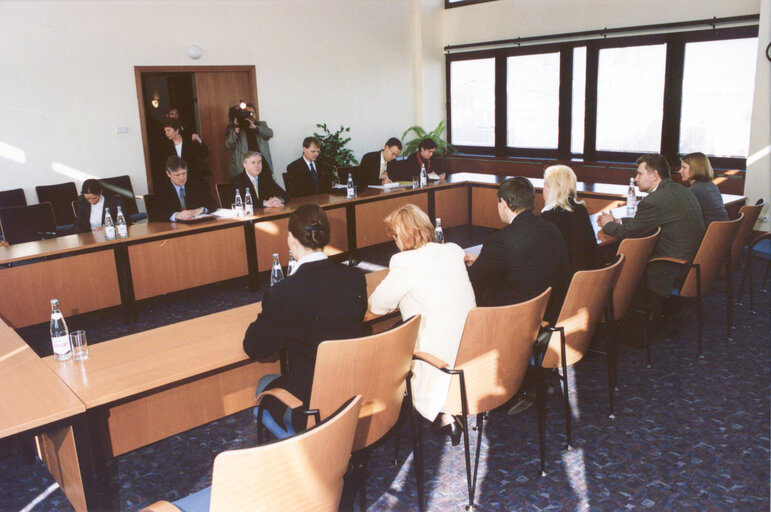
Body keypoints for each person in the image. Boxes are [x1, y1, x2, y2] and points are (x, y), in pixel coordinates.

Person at [242, 204, 367, 432]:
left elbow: (255, 347)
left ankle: (303, 446)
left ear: (290, 239)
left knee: (263, 385)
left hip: (312, 401)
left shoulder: (283, 293)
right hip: (352, 385)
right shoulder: (355, 278)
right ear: (325, 236)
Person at [369, 204, 475, 442]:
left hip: (435, 359)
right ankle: (449, 413)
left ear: (403, 235)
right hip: (469, 349)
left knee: (392, 338)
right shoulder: (453, 250)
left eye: (395, 236)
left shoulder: (403, 262)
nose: (395, 242)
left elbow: (377, 305)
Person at [597, 153, 705, 300]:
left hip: (671, 269)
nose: (635, 179)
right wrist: (618, 221)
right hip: (692, 264)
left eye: (640, 174)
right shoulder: (682, 191)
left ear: (654, 175)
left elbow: (630, 234)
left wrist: (607, 224)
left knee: (617, 263)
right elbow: (647, 222)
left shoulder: (653, 201)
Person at [465, 177, 570, 323]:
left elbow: (474, 280)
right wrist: (483, 261)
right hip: (552, 312)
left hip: (515, 319)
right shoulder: (551, 228)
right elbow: (526, 266)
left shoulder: (500, 240)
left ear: (504, 203)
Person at [540, 165, 600, 273]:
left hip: (565, 281)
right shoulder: (581, 209)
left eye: (545, 185)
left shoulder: (549, 216)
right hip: (586, 276)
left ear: (552, 189)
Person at [151, 155, 216, 222]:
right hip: (173, 228)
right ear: (168, 174)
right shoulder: (161, 188)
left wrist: (200, 210)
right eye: (177, 175)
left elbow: (212, 203)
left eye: (184, 173)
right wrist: (176, 215)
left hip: (195, 225)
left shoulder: (195, 184)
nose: (182, 178)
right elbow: (156, 213)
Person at [225, 102, 275, 178]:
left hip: (261, 163)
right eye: (247, 113)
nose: (249, 115)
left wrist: (256, 128)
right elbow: (229, 145)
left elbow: (269, 134)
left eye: (251, 113)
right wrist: (236, 129)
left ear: (255, 115)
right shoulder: (235, 128)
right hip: (244, 166)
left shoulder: (261, 124)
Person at [680, 152, 728, 227]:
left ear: (695, 169)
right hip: (722, 233)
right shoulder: (711, 185)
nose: (680, 171)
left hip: (708, 234)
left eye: (684, 167)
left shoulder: (695, 190)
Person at [162, 118, 210, 182]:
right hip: (176, 179)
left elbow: (205, 154)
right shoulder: (166, 146)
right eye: (165, 131)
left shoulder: (189, 141)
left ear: (177, 130)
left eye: (168, 130)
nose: (166, 133)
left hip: (193, 177)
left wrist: (200, 141)